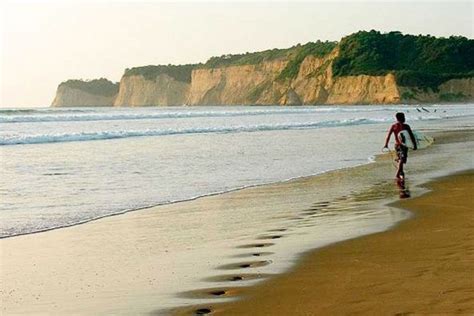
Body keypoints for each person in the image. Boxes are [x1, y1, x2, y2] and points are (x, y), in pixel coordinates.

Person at [383, 112, 417, 179]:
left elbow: (388, 136)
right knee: (402, 159)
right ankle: (397, 174)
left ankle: (401, 172)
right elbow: (411, 136)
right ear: (403, 118)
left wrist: (386, 144)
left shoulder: (394, 126)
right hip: (404, 146)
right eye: (404, 117)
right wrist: (414, 144)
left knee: (401, 159)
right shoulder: (406, 126)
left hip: (397, 146)